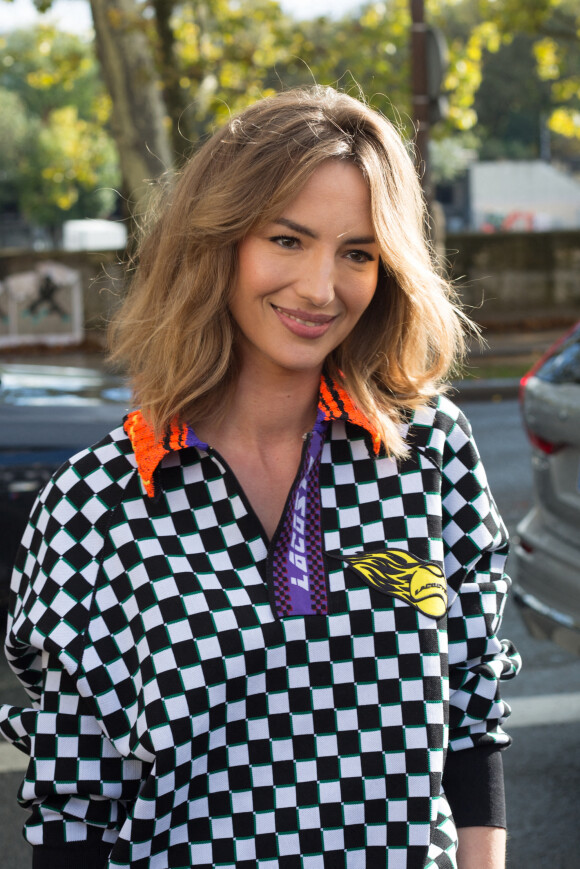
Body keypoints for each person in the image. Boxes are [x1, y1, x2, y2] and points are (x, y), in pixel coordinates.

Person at [0, 86, 520, 869]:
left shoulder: (430, 455)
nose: (320, 288)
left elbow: (473, 721)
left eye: (358, 251)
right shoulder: (93, 507)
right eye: (287, 239)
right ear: (220, 241)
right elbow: (75, 809)